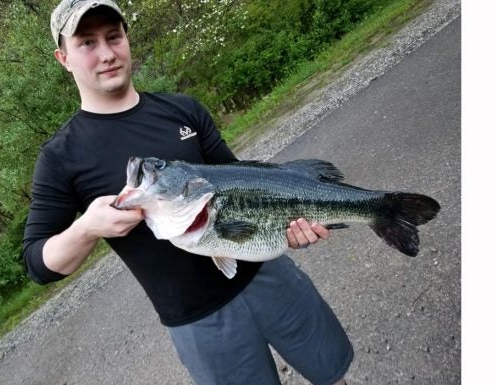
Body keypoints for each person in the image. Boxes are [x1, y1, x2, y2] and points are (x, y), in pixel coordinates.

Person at [23, 1, 354, 384]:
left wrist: (287, 226)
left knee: (333, 375)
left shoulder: (182, 110)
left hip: (269, 275)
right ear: (63, 57)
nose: (107, 53)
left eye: (114, 37)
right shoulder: (60, 158)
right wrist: (87, 229)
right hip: (200, 323)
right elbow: (37, 264)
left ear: (127, 40)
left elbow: (245, 183)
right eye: (87, 43)